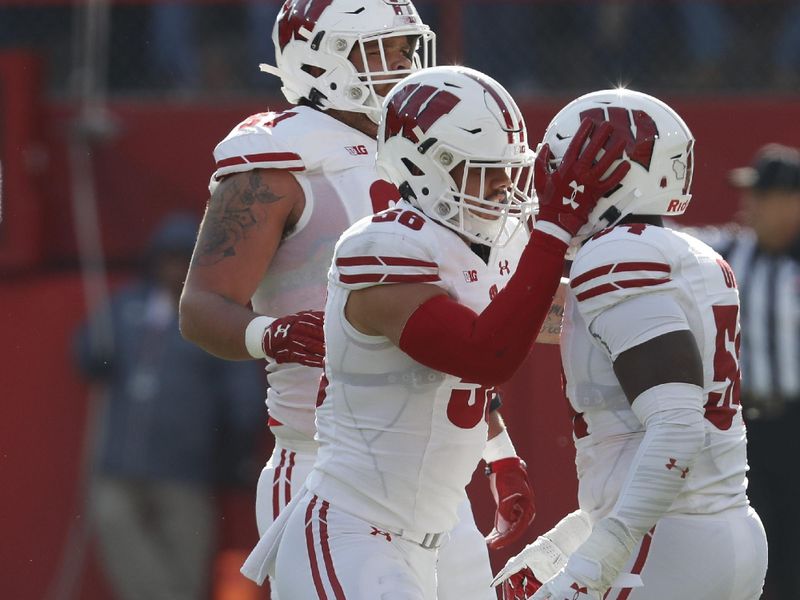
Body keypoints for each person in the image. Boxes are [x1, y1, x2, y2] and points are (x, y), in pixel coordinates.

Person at [178, 2, 534, 598]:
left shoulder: (430, 153)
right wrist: (271, 334)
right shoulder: (280, 156)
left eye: (406, 46)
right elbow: (200, 305)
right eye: (383, 48)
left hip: (434, 474)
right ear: (319, 57)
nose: (403, 63)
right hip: (328, 469)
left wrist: (497, 446)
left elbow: (455, 321)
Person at [237, 65, 629, 599]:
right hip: (355, 529)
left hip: (435, 529)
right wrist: (554, 230)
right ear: (427, 165)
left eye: (508, 170)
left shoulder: (483, 240)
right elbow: (483, 353)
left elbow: (553, 315)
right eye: (483, 171)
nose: (502, 188)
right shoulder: (379, 247)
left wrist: (654, 305)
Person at [493, 88, 768, 600]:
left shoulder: (615, 255)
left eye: (569, 168)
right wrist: (564, 544)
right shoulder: (690, 255)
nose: (554, 184)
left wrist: (595, 562)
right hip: (718, 526)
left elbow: (678, 427)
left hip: (666, 541)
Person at [74, 213, 265, 600]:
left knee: (187, 556)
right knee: (111, 520)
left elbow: (242, 388)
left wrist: (238, 442)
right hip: (120, 460)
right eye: (168, 258)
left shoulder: (216, 315)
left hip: (186, 466)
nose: (174, 268)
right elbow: (86, 354)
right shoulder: (127, 306)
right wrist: (96, 351)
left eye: (184, 259)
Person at [695, 143, 800, 598]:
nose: (749, 205)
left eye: (761, 195)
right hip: (746, 427)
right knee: (753, 548)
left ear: (792, 201)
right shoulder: (730, 252)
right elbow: (672, 244)